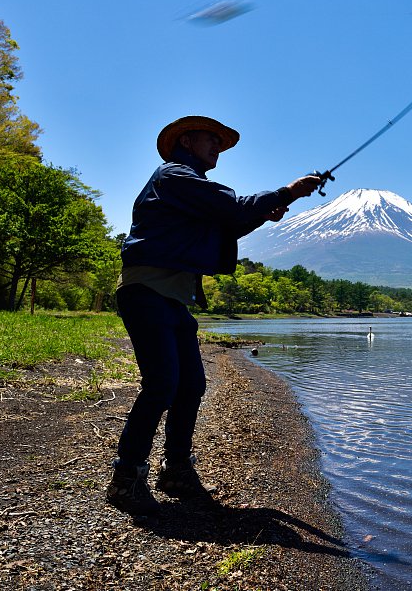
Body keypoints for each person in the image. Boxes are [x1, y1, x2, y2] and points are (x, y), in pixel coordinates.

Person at [107, 115, 321, 516]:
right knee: (162, 384)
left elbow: (227, 224)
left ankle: (176, 470)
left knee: (190, 385)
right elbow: (232, 210)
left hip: (171, 297)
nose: (218, 147)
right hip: (147, 292)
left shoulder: (186, 188)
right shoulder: (175, 176)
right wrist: (288, 191)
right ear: (187, 140)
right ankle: (126, 478)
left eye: (221, 143)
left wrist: (273, 204)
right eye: (212, 139)